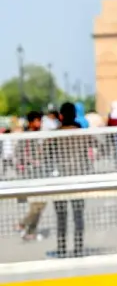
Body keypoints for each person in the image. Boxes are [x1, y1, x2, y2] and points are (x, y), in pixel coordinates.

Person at [44, 102, 96, 257]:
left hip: (60, 180)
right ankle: (78, 248)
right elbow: (103, 146)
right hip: (78, 178)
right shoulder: (82, 133)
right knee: (78, 215)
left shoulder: (54, 135)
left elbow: (45, 155)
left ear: (61, 115)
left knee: (61, 216)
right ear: (75, 115)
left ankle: (61, 248)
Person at [15, 110, 48, 241]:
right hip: (30, 175)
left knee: (41, 204)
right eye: (36, 120)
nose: (39, 123)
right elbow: (19, 154)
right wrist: (30, 161)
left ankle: (30, 231)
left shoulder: (39, 136)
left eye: (40, 120)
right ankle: (23, 224)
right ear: (30, 122)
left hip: (41, 173)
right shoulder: (26, 137)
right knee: (37, 205)